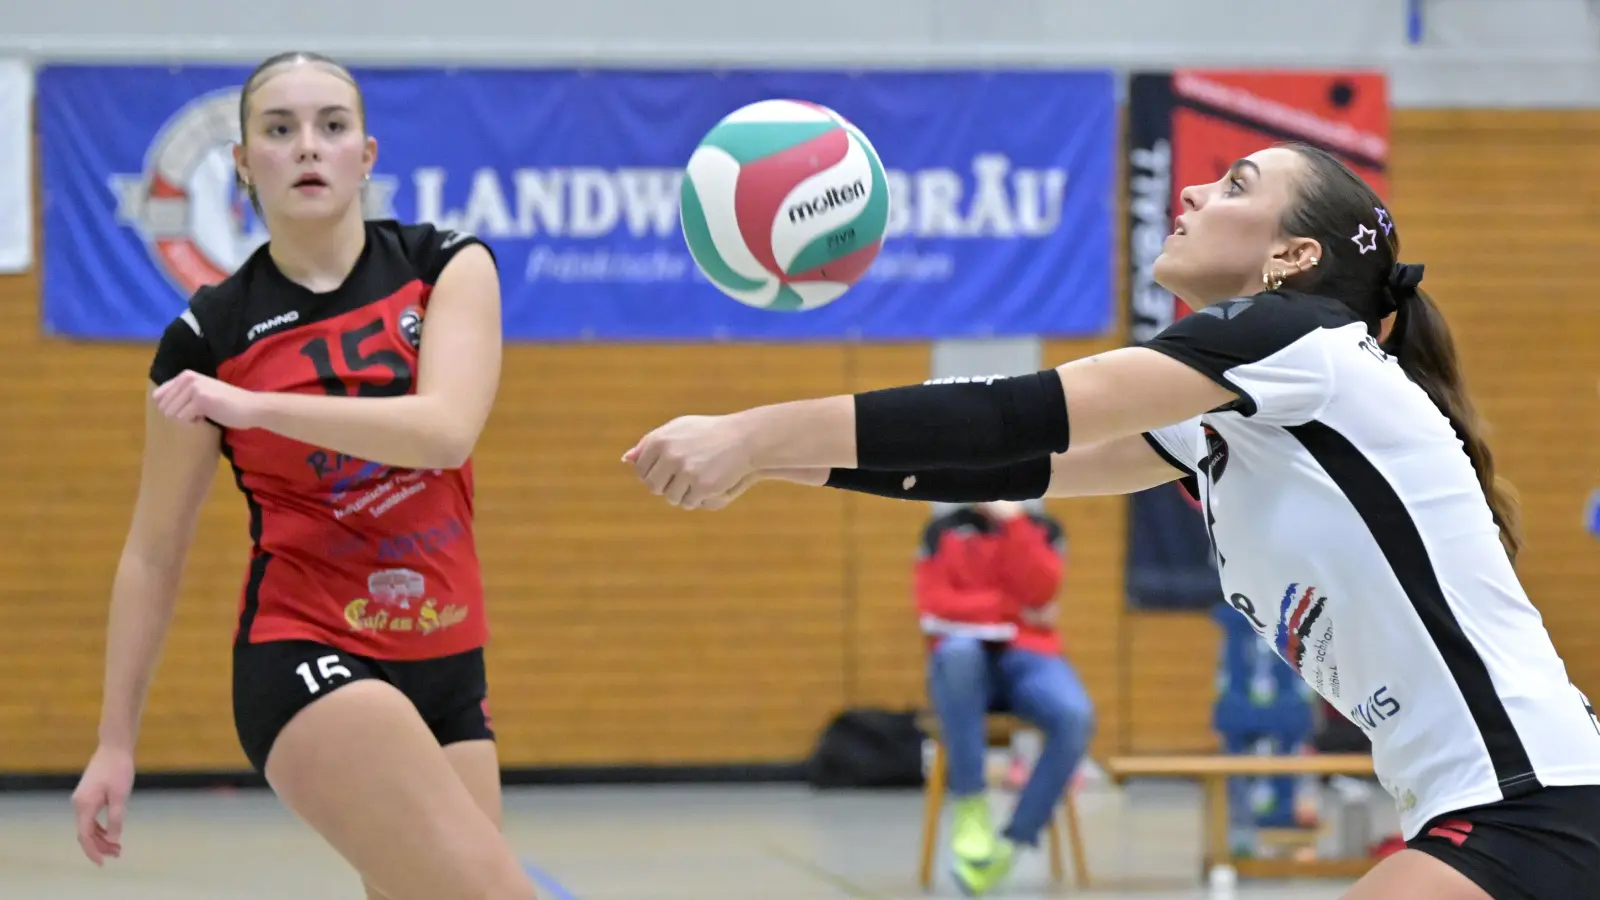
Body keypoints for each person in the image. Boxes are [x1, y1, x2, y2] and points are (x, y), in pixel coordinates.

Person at [625, 141, 1600, 900]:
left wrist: (752, 432)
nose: (1193, 193)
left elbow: (1015, 413)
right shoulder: (1237, 420)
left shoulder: (1299, 340)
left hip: (1534, 803)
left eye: (1234, 185)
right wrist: (772, 463)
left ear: (1291, 257)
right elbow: (1009, 463)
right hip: (1510, 805)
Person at [69, 52, 535, 900]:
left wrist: (255, 407)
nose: (309, 146)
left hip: (447, 656)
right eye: (280, 130)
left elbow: (444, 433)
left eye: (332, 125)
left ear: (367, 153)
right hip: (309, 649)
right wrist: (114, 741)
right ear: (244, 163)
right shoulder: (209, 339)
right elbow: (152, 551)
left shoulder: (444, 266)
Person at [915, 500, 1093, 894]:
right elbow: (934, 604)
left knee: (1074, 715)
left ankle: (1014, 840)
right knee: (958, 655)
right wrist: (1010, 609)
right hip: (964, 662)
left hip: (1029, 656)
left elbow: (1042, 591)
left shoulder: (1042, 529)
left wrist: (1015, 523)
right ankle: (971, 808)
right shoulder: (941, 531)